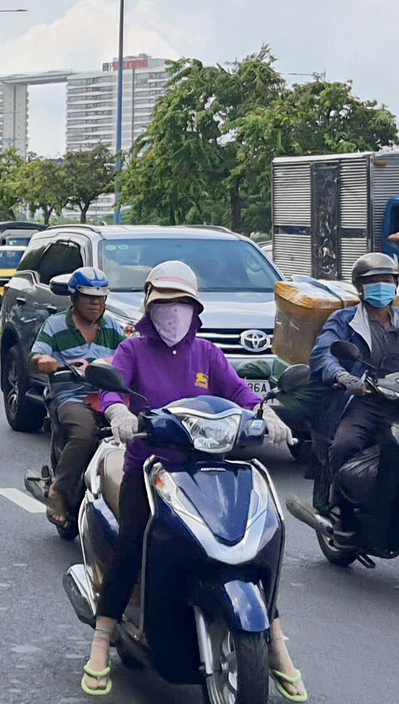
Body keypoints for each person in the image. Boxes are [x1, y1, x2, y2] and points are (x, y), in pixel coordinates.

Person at [82, 261, 302, 700]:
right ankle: (102, 641)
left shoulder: (207, 354)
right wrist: (118, 411)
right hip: (149, 471)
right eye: (164, 303)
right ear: (150, 307)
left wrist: (267, 414)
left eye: (181, 303)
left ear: (194, 309)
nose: (172, 312)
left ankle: (275, 641)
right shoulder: (133, 350)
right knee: (131, 547)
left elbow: (240, 393)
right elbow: (113, 387)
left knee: (259, 543)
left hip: (207, 471)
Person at [310, 252, 399, 526]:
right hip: (369, 402)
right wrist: (344, 377)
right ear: (360, 287)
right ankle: (337, 505)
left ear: (395, 285)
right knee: (345, 444)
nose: (381, 286)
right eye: (373, 281)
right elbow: (323, 355)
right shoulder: (343, 321)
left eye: (386, 280)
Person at [28, 266, 125, 529]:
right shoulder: (56, 324)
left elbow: (131, 357)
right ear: (74, 298)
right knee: (84, 433)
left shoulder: (114, 327)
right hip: (70, 395)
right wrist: (44, 361)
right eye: (89, 298)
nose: (96, 304)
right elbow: (36, 357)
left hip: (109, 395)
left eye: (101, 298)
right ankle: (59, 492)